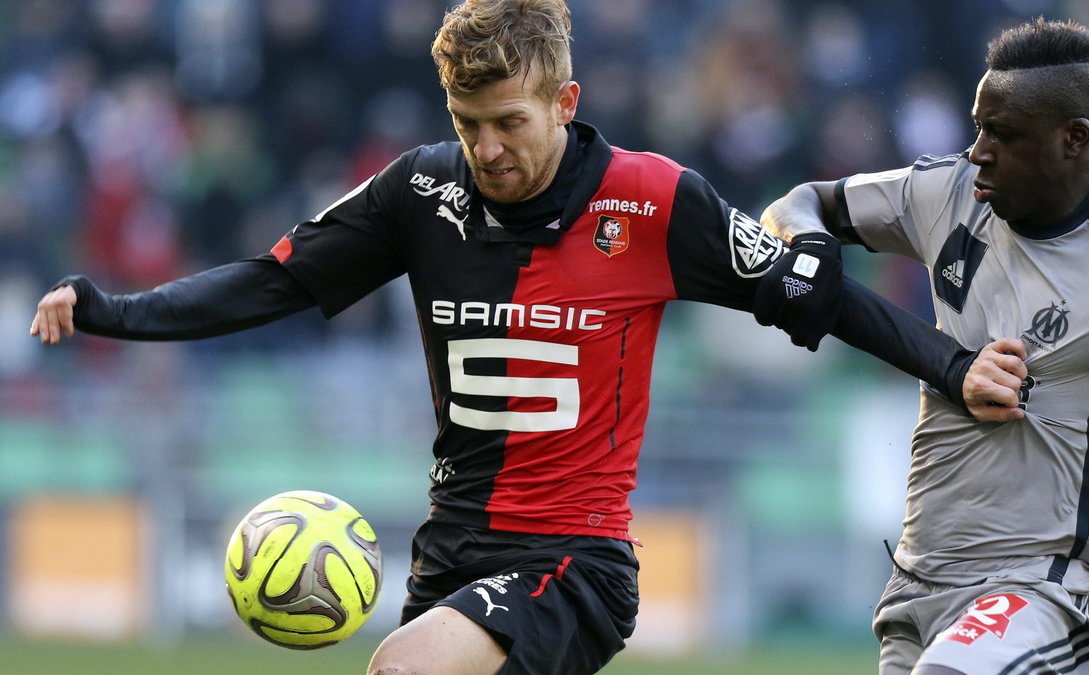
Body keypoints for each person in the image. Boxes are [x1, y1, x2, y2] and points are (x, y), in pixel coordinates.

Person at [29, 1, 1022, 673]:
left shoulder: (658, 201)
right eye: (468, 123)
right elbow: (271, 284)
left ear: (565, 103)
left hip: (573, 564)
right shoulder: (416, 192)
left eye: (508, 121)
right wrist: (115, 310)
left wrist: (955, 364)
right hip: (447, 558)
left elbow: (818, 297)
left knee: (403, 667)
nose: (487, 149)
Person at [757, 16, 1089, 675]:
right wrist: (814, 243)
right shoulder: (951, 194)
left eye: (1003, 134)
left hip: (1042, 588)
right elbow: (796, 205)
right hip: (919, 583)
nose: (976, 151)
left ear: (1072, 140)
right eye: (978, 125)